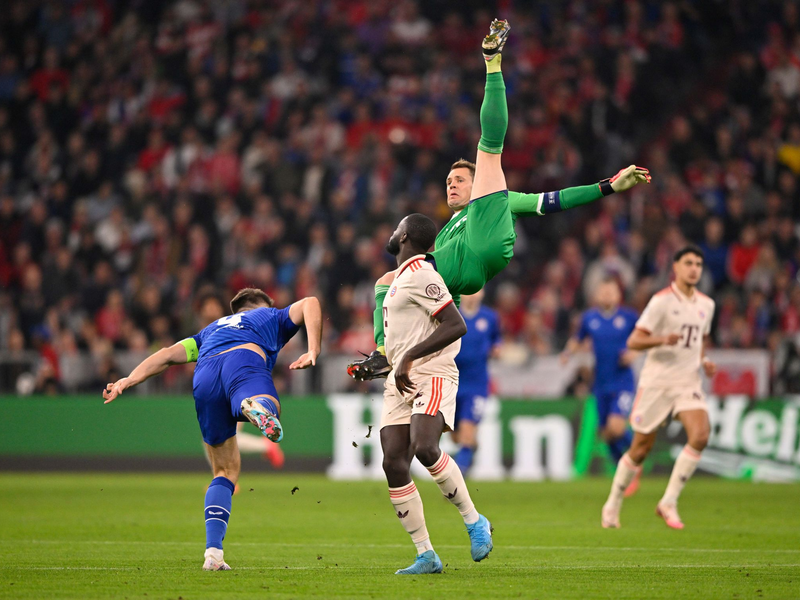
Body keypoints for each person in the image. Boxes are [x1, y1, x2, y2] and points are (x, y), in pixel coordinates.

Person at [348, 19, 651, 381]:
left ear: (479, 183)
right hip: (469, 272)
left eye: (460, 179)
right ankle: (383, 352)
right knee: (385, 282)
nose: (451, 185)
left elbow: (555, 200)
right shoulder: (445, 233)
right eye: (448, 181)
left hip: (487, 242)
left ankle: (493, 63)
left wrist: (608, 187)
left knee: (489, 148)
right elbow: (447, 294)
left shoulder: (499, 199)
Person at [102, 288, 322, 570]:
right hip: (243, 361)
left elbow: (168, 355)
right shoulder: (270, 315)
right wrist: (313, 348)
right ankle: (251, 404)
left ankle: (213, 554)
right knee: (271, 409)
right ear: (262, 305)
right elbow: (311, 303)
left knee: (225, 471)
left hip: (204, 375)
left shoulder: (209, 330)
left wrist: (128, 380)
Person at [380, 213, 493, 575]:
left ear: (405, 236)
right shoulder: (399, 280)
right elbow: (405, 338)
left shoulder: (423, 274)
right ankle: (425, 554)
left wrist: (411, 357)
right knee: (393, 462)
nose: (392, 232)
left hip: (431, 373)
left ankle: (475, 521)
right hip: (400, 378)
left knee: (426, 447)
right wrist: (383, 361)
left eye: (397, 227)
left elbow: (455, 324)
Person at [601, 246, 716, 530]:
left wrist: (705, 361)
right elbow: (634, 341)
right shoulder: (661, 301)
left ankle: (669, 501)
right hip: (658, 382)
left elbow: (699, 341)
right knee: (640, 449)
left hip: (688, 382)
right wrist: (662, 339)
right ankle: (613, 502)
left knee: (700, 435)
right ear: (675, 268)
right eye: (688, 263)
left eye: (698, 264)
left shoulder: (707, 305)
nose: (694, 269)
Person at [561, 278, 640, 494]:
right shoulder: (590, 318)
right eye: (603, 291)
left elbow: (644, 337)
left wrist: (633, 353)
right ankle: (623, 471)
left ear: (618, 295)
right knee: (607, 434)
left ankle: (637, 454)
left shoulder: (629, 317)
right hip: (601, 383)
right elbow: (578, 339)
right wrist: (568, 353)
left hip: (622, 382)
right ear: (596, 295)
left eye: (611, 291)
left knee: (616, 428)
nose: (607, 295)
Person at [196, 291, 286, 470]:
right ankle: (226, 476)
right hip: (226, 383)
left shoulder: (228, 328)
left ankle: (227, 476)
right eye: (208, 306)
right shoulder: (210, 331)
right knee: (218, 438)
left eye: (214, 305)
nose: (211, 310)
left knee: (224, 436)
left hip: (233, 385)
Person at [452, 290, 501, 474]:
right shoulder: (451, 313)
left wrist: (497, 349)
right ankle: (470, 447)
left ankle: (456, 481)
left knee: (466, 431)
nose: (473, 295)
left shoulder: (490, 317)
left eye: (477, 290)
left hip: (477, 384)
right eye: (469, 291)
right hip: (452, 382)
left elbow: (497, 339)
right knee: (456, 437)